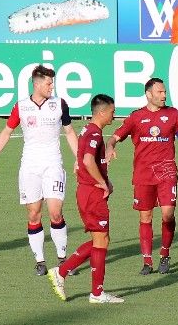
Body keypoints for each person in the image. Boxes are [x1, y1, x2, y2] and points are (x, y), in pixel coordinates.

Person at [0, 66, 80, 277]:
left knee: (55, 211)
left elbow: (69, 132)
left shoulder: (60, 104)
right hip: (29, 166)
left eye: (52, 83)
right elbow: (7, 131)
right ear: (36, 84)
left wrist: (78, 158)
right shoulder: (21, 107)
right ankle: (40, 260)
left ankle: (63, 259)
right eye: (48, 83)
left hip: (53, 164)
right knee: (33, 213)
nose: (51, 87)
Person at [105, 78, 178, 275]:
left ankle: (164, 254)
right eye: (160, 92)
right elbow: (114, 137)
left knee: (167, 214)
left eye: (164, 92)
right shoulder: (136, 117)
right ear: (149, 94)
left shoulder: (173, 114)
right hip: (143, 175)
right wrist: (110, 147)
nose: (164, 95)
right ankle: (147, 261)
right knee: (145, 216)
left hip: (167, 172)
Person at [48, 94, 123, 303]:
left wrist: (104, 178)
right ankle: (65, 274)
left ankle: (94, 291)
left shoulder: (88, 131)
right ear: (101, 112)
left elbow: (83, 161)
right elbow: (88, 161)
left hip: (88, 192)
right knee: (101, 240)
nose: (113, 115)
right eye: (112, 111)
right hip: (92, 193)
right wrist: (102, 182)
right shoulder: (94, 134)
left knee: (101, 240)